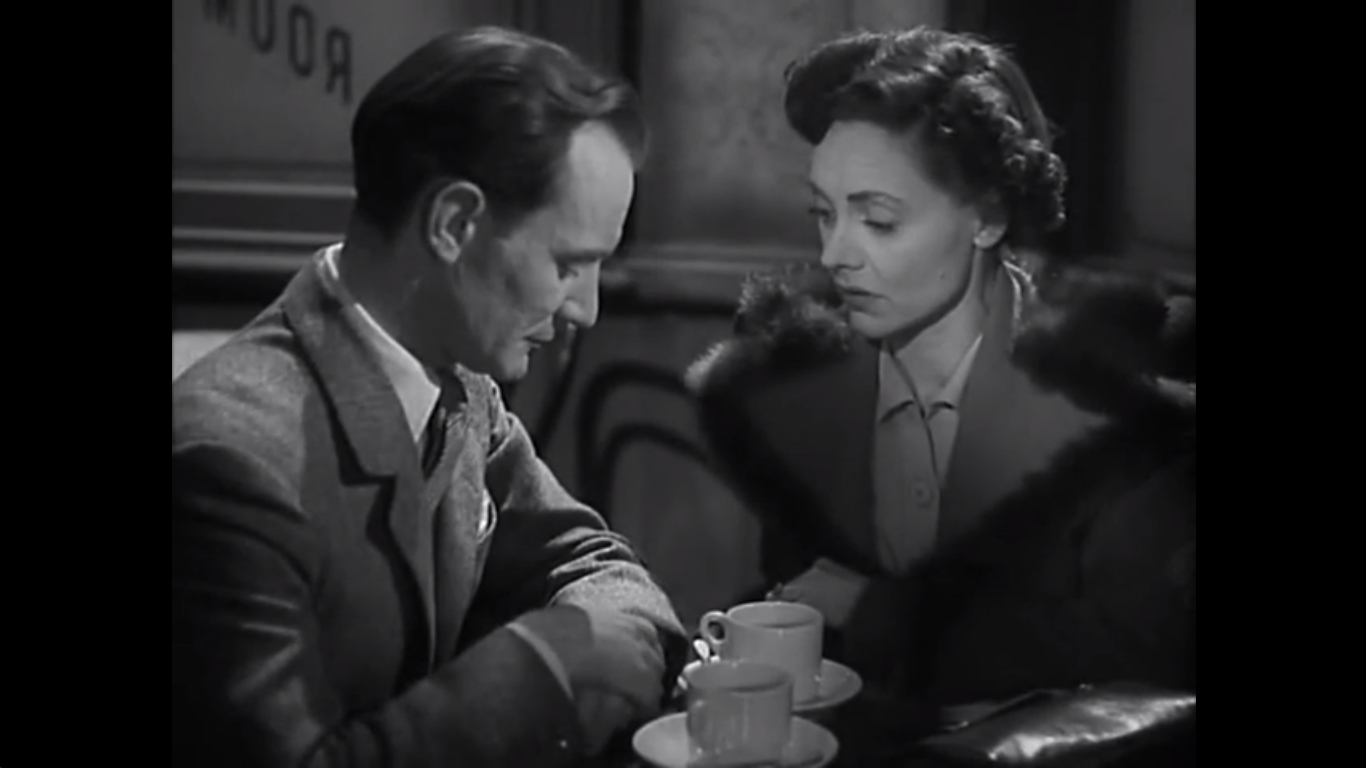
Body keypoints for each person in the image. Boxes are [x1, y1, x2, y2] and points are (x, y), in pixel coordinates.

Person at [172, 26, 687, 767]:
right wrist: (545, 660)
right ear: (453, 224)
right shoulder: (231, 460)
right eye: (569, 264)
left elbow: (594, 563)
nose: (587, 309)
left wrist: (589, 636)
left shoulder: (460, 387)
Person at [687, 26, 1195, 716]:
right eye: (824, 215)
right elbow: (806, 601)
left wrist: (882, 613)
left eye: (879, 221)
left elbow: (1138, 658)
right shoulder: (806, 390)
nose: (836, 255)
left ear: (986, 216)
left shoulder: (1111, 407)